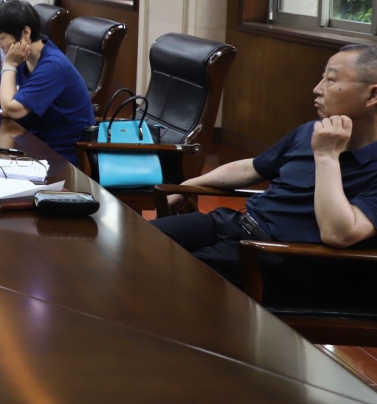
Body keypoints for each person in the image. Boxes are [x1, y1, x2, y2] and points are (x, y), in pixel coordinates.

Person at [153, 45, 377, 306]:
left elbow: (338, 234)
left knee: (158, 277)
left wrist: (327, 157)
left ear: (373, 95)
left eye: (331, 79)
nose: (317, 89)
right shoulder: (311, 130)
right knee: (134, 243)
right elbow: (252, 168)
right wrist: (188, 185)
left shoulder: (326, 143)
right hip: (236, 226)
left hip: (278, 259)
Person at [0, 0, 94, 164]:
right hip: (29, 142)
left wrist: (9, 65)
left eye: (2, 38)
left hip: (57, 157)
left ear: (26, 33)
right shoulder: (26, 57)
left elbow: (11, 110)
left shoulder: (52, 66)